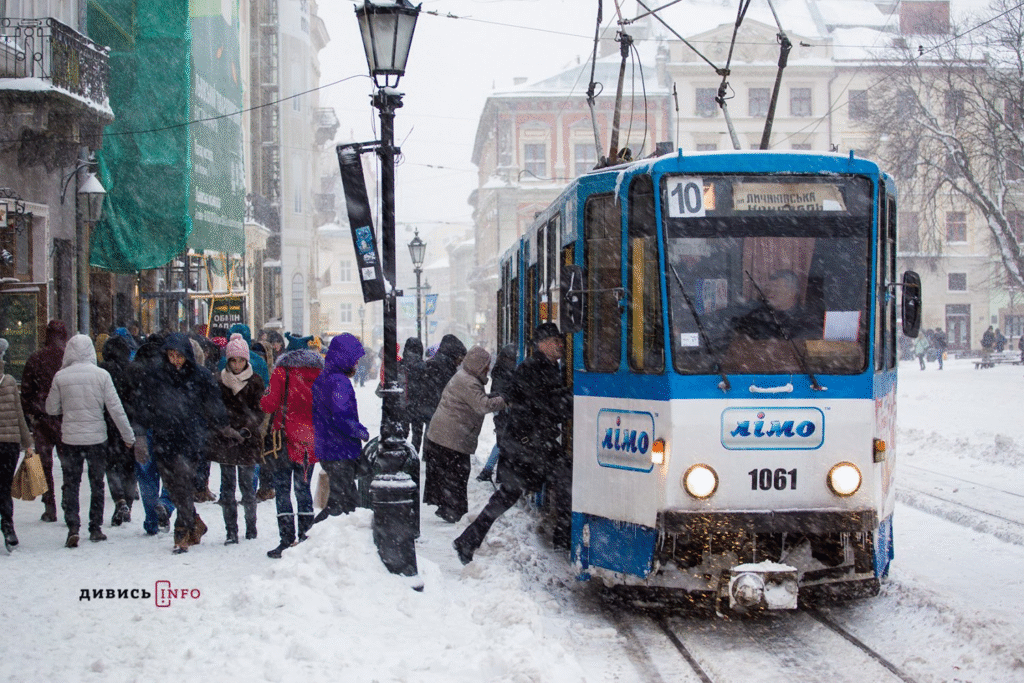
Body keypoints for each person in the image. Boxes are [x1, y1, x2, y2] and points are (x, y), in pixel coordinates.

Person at [453, 323, 571, 564]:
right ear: (542, 344)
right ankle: (468, 540)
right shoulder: (533, 368)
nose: (560, 345)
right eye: (555, 340)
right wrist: (572, 395)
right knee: (511, 493)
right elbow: (546, 404)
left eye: (560, 341)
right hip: (526, 446)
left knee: (552, 481)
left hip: (532, 444)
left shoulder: (546, 366)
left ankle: (469, 540)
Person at [136, 333, 233, 553]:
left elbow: (214, 403)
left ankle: (181, 535)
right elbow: (143, 405)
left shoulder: (200, 375)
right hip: (164, 438)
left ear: (187, 355)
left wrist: (222, 426)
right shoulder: (156, 376)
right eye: (171, 355)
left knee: (183, 484)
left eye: (179, 355)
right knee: (172, 486)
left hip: (191, 438)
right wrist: (140, 434)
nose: (175, 360)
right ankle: (194, 522)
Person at [45, 333, 135, 547]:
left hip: (70, 439)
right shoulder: (101, 375)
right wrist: (127, 436)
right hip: (97, 439)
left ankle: (73, 527)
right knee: (97, 484)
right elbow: (116, 408)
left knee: (72, 484)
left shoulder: (61, 377)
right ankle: (95, 528)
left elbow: (51, 408)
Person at [422, 346, 505, 523]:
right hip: (451, 436)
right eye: (486, 365)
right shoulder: (469, 381)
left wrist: (494, 395)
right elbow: (482, 405)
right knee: (457, 474)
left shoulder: (465, 377)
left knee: (452, 474)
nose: (488, 368)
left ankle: (449, 508)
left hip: (447, 434)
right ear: (478, 365)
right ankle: (452, 510)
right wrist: (505, 400)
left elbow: (476, 399)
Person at [260, 334, 324, 558]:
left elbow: (268, 404)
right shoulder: (319, 374)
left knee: (283, 490)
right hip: (310, 440)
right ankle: (306, 537)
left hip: (285, 439)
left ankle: (286, 540)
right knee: (303, 489)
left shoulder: (281, 371)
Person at [210, 334, 265, 545]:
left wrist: (245, 429)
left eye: (241, 360)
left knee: (248, 487)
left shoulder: (255, 382)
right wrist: (225, 428)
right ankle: (231, 531)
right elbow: (214, 409)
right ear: (228, 360)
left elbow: (259, 411)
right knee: (227, 488)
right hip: (225, 440)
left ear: (246, 360)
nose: (237, 364)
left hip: (248, 441)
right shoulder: (218, 380)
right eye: (233, 360)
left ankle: (251, 527)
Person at [311, 334, 369, 522]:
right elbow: (341, 416)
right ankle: (309, 539)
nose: (357, 365)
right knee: (342, 504)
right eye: (355, 360)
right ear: (346, 359)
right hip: (339, 449)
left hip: (329, 446)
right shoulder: (339, 382)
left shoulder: (325, 377)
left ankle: (345, 541)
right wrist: (360, 431)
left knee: (347, 502)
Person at [19, 319, 68, 522]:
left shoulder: (36, 358)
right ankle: (68, 501)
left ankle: (49, 506)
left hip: (42, 418)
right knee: (68, 464)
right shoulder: (68, 359)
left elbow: (26, 391)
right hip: (65, 418)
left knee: (43, 463)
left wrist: (31, 412)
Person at [420, 334, 467, 510]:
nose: (460, 362)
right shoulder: (444, 367)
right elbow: (445, 394)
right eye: (460, 358)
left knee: (439, 465)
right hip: (441, 418)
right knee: (446, 465)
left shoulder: (435, 363)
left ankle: (440, 500)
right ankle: (445, 503)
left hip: (434, 416)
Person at [100, 335, 139, 526]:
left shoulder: (102, 371)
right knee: (130, 468)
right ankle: (128, 505)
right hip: (130, 423)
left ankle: (119, 499)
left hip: (107, 424)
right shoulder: (133, 370)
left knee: (111, 465)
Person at [0, 338, 34, 550]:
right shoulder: (10, 381)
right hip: (9, 444)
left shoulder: (11, 382)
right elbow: (19, 414)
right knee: (4, 486)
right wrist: (27, 441)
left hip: (9, 443)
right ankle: (8, 527)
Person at [476, 344, 517, 483]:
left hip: (501, 411)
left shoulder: (500, 370)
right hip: (503, 411)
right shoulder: (505, 373)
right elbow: (500, 393)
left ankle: (493, 472)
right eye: (513, 358)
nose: (514, 361)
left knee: (502, 442)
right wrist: (507, 399)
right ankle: (489, 471)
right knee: (502, 442)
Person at [400, 337, 428, 454]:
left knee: (402, 433)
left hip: (403, 404)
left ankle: (402, 455)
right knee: (417, 434)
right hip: (419, 405)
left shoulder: (400, 365)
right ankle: (414, 456)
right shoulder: (424, 366)